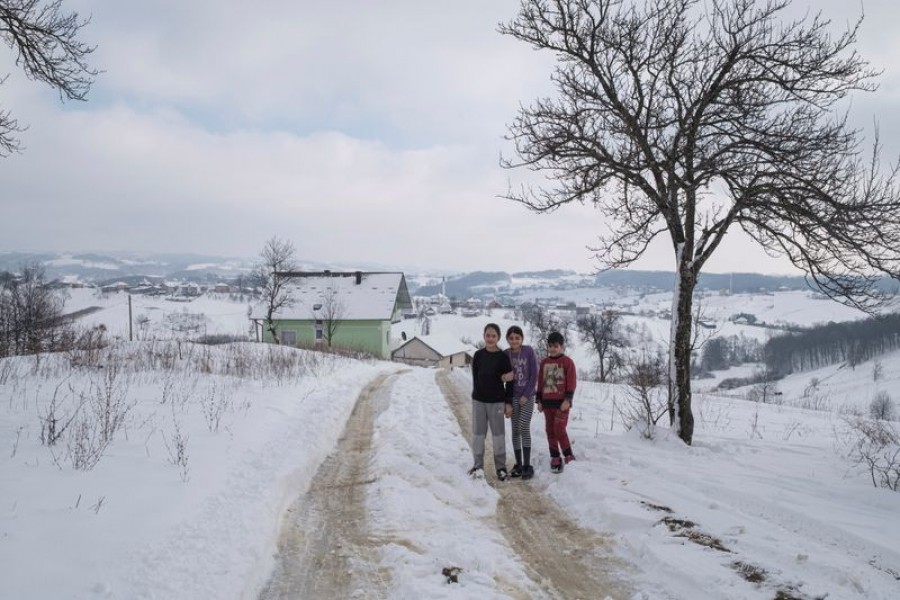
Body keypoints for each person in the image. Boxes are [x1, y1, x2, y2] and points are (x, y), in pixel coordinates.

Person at [469, 323, 514, 480]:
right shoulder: (478, 355)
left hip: (497, 402)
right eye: (488, 335)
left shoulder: (503, 357)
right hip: (479, 401)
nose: (490, 338)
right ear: (484, 336)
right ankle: (477, 466)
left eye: (493, 336)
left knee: (498, 436)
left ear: (498, 338)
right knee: (478, 435)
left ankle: (501, 468)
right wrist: (476, 395)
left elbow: (510, 382)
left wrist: (508, 402)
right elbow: (475, 377)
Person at [536, 331, 577, 474]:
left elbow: (571, 382)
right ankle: (555, 456)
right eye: (550, 346)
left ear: (562, 347)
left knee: (559, 429)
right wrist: (539, 400)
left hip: (561, 404)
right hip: (547, 405)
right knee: (550, 431)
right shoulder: (544, 363)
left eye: (556, 346)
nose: (553, 349)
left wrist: (568, 399)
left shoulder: (567, 362)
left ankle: (568, 454)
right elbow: (540, 382)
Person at [504, 325, 538, 480]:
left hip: (527, 396)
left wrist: (526, 394)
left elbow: (534, 374)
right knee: (515, 430)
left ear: (522, 339)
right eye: (511, 338)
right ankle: (518, 464)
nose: (514, 340)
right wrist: (507, 402)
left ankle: (527, 465)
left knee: (523, 426)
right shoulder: (505, 354)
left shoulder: (528, 351)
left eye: (517, 337)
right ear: (507, 340)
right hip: (513, 397)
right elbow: (502, 376)